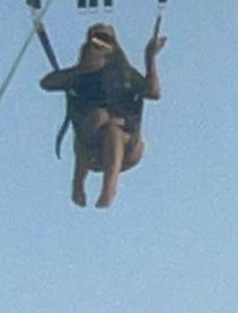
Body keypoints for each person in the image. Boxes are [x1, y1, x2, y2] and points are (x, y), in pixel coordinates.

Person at [39, 22, 165, 208]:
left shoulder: (125, 73)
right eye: (93, 41)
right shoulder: (79, 75)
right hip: (89, 145)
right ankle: (79, 182)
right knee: (99, 117)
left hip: (127, 146)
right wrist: (81, 69)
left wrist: (150, 58)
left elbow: (153, 92)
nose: (97, 45)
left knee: (112, 128)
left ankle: (109, 189)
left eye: (103, 40)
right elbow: (47, 83)